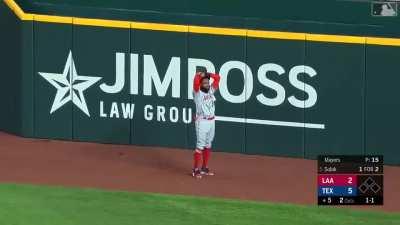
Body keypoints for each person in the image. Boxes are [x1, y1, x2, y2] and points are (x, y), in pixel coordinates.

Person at [192, 68, 221, 179]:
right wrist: (198, 75)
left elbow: (218, 78)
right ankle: (195, 169)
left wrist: (208, 74)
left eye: (208, 82)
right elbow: (195, 82)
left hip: (211, 121)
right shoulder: (197, 92)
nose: (207, 84)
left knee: (208, 144)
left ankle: (204, 168)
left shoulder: (211, 90)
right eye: (204, 83)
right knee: (200, 146)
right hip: (202, 121)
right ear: (200, 84)